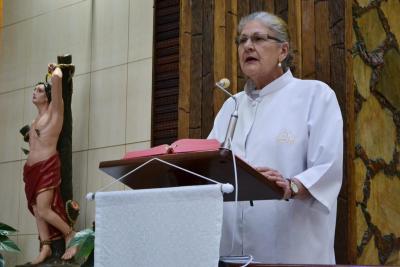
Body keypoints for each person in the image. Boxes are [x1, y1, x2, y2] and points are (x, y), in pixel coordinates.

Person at [208, 11, 343, 264]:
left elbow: (328, 167)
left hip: (293, 253)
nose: (248, 46)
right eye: (242, 40)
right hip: (231, 254)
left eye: (258, 39)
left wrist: (290, 186)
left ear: (283, 51)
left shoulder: (314, 95)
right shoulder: (231, 106)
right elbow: (209, 168)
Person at [23, 64, 77, 264]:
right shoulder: (34, 120)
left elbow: (56, 81)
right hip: (31, 171)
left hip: (47, 166)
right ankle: (45, 246)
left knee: (45, 208)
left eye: (38, 90)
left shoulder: (55, 113)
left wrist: (56, 70)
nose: (34, 93)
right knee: (37, 209)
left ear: (47, 96)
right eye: (34, 90)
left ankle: (70, 234)